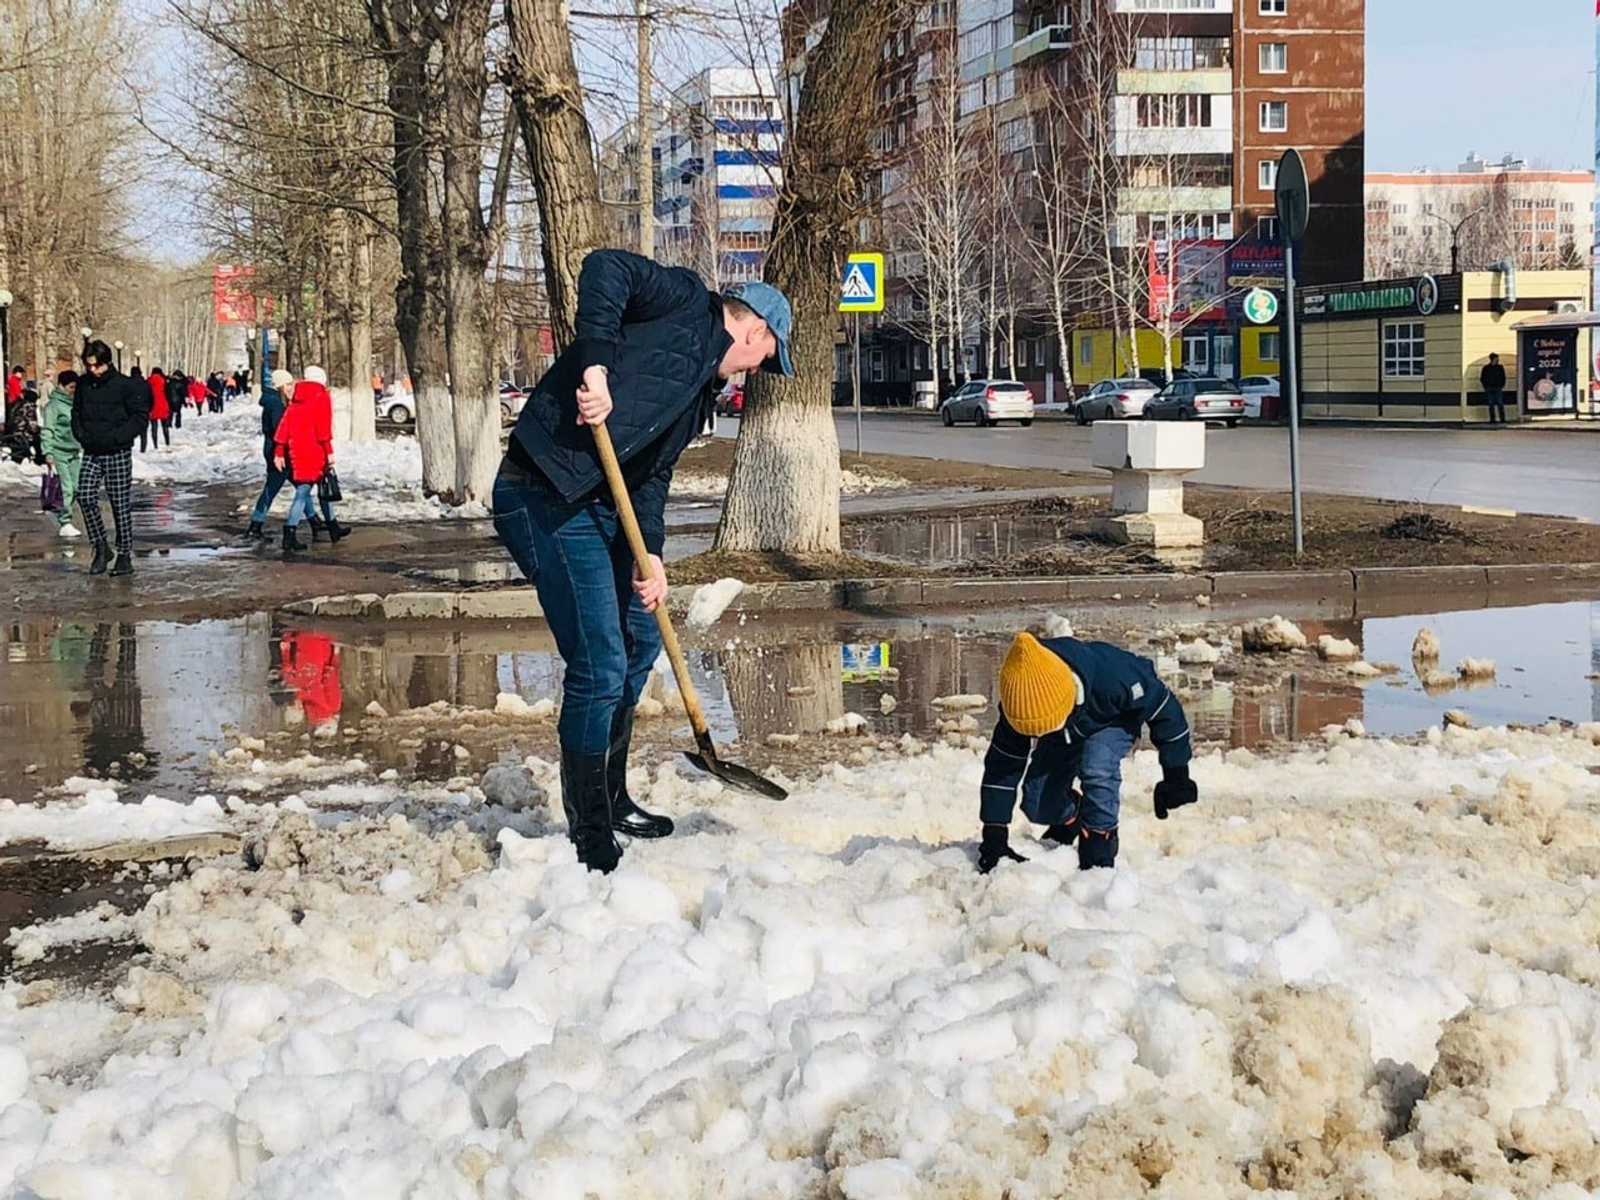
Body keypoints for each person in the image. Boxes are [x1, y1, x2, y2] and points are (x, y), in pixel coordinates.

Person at [492, 248, 795, 873]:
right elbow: (605, 267)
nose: (759, 370)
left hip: (603, 504)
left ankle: (611, 794)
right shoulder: (682, 300)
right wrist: (595, 366)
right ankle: (590, 834)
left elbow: (653, 476)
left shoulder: (700, 394)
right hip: (544, 492)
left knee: (639, 634)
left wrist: (649, 553)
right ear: (755, 331)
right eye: (767, 357)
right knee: (600, 662)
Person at [975, 632, 1197, 874]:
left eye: (1043, 728)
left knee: (1097, 765)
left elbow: (1164, 707)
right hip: (1065, 732)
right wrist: (994, 834)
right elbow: (1003, 765)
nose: (1036, 737)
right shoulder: (1018, 701)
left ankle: (1100, 845)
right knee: (1037, 804)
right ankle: (1074, 817)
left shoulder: (1114, 677)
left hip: (1112, 719)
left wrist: (1176, 774)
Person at [71, 339, 150, 576]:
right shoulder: (84, 384)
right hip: (92, 450)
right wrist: (81, 434)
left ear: (107, 363)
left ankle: (124, 555)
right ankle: (100, 547)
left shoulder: (125, 385)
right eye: (88, 366)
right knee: (85, 496)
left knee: (119, 503)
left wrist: (119, 437)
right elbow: (76, 412)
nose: (92, 370)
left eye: (96, 365)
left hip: (117, 451)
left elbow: (140, 416)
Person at [272, 364, 345, 557]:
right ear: (322, 380)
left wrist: (279, 451)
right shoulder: (322, 397)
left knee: (321, 489)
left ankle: (333, 527)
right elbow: (323, 428)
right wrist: (329, 451)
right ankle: (289, 535)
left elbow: (284, 426)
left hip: (297, 451)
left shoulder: (296, 398)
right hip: (315, 451)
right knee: (304, 493)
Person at [245, 367, 293, 541]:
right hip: (277, 451)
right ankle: (255, 525)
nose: (291, 388)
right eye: (288, 384)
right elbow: (279, 428)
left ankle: (315, 521)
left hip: (276, 448)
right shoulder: (276, 403)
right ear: (279, 385)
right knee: (272, 487)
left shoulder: (274, 401)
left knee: (302, 487)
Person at [41, 370, 84, 539]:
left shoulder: (75, 404)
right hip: (59, 452)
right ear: (61, 386)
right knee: (66, 488)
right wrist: (48, 453)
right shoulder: (54, 405)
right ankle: (65, 522)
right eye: (71, 387)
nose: (73, 391)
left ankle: (58, 511)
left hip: (73, 451)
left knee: (77, 488)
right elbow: (48, 430)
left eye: (75, 388)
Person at [141, 367, 171, 451]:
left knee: (154, 427)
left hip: (152, 405)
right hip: (163, 405)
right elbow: (168, 393)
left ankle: (155, 445)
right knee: (165, 426)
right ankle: (167, 443)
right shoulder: (164, 381)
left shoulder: (148, 381)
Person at [1480, 352, 1508, 426]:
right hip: (1491, 387)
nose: (1497, 360)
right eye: (1496, 359)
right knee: (1492, 403)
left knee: (1498, 403)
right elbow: (1482, 378)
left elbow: (1503, 377)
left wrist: (1501, 384)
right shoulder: (1494, 368)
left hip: (1495, 387)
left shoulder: (1489, 368)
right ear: (1492, 359)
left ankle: (1500, 419)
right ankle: (1494, 419)